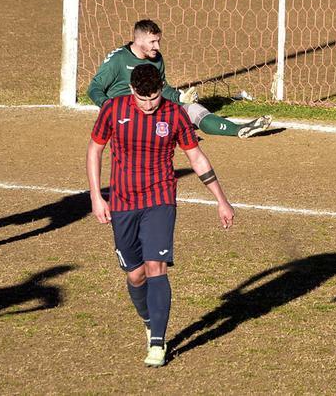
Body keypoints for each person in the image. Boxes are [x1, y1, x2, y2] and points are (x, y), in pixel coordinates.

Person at [87, 64, 235, 367]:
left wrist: (221, 200)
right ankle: (147, 318)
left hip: (160, 199)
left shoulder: (174, 114)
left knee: (156, 266)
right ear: (131, 91)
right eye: (142, 99)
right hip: (123, 202)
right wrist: (95, 195)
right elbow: (95, 150)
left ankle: (158, 339)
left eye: (153, 97)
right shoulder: (113, 109)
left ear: (161, 89)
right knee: (135, 273)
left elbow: (195, 156)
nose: (148, 104)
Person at [88, 19, 271, 139]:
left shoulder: (156, 59)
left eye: (158, 41)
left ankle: (238, 130)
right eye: (152, 42)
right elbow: (94, 87)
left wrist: (179, 97)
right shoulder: (118, 59)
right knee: (161, 121)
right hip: (124, 112)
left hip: (151, 106)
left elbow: (163, 89)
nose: (157, 46)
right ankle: (172, 132)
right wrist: (108, 106)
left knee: (192, 109)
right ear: (138, 41)